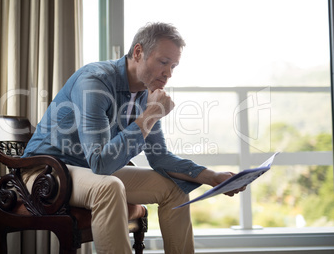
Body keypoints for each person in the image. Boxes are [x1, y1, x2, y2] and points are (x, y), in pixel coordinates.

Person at [22, 22, 245, 253]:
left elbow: (160, 158)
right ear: (138, 52)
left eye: (174, 66)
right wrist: (150, 115)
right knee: (108, 186)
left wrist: (212, 176)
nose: (168, 73)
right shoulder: (95, 82)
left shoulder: (144, 95)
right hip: (44, 171)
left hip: (88, 171)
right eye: (163, 62)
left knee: (175, 188)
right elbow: (101, 163)